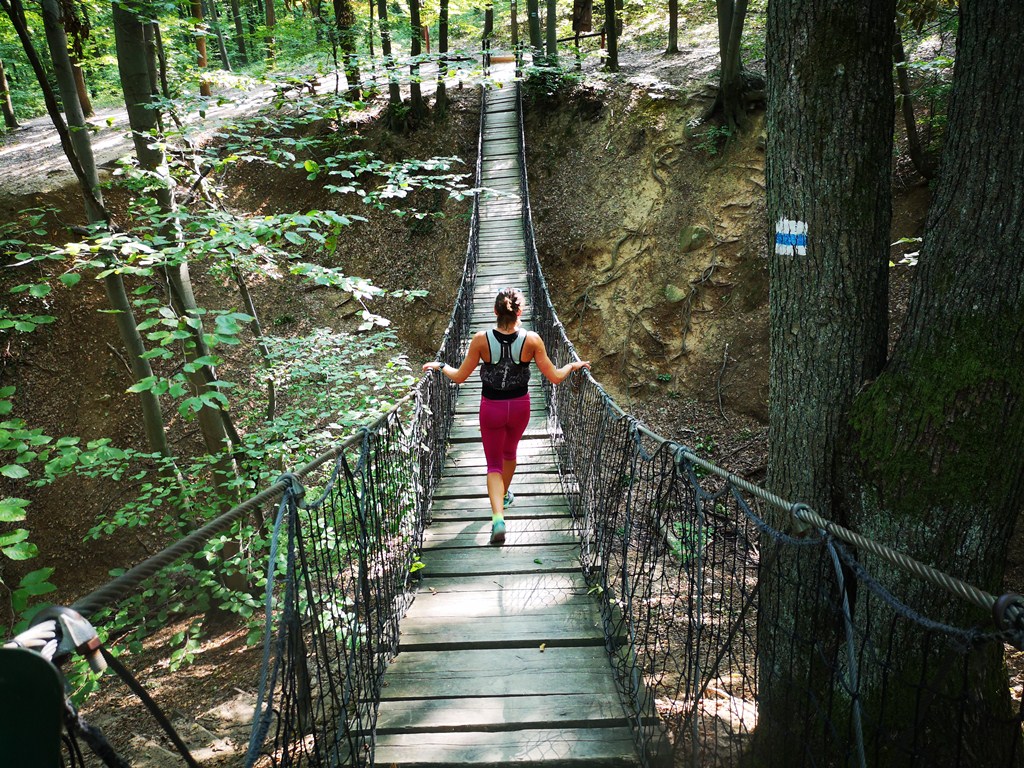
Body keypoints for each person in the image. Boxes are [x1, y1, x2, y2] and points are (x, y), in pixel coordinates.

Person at [423, 287, 591, 545]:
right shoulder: (532, 340)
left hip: (491, 408)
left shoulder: (481, 339)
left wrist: (441, 366)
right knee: (510, 453)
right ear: (520, 312)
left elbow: (459, 377)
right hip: (520, 407)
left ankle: (498, 518)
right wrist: (572, 365)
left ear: (494, 312)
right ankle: (503, 495)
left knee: (493, 465)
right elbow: (556, 377)